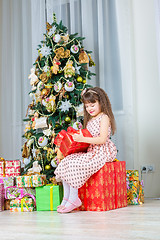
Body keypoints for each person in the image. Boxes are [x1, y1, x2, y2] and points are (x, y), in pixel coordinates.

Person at [54, 87, 117, 213]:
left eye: (92, 105)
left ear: (101, 103)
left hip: (101, 152)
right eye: (87, 106)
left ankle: (73, 198)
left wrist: (83, 139)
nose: (90, 109)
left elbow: (102, 139)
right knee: (67, 160)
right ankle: (66, 198)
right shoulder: (90, 119)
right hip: (91, 150)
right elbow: (87, 138)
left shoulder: (104, 117)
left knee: (74, 164)